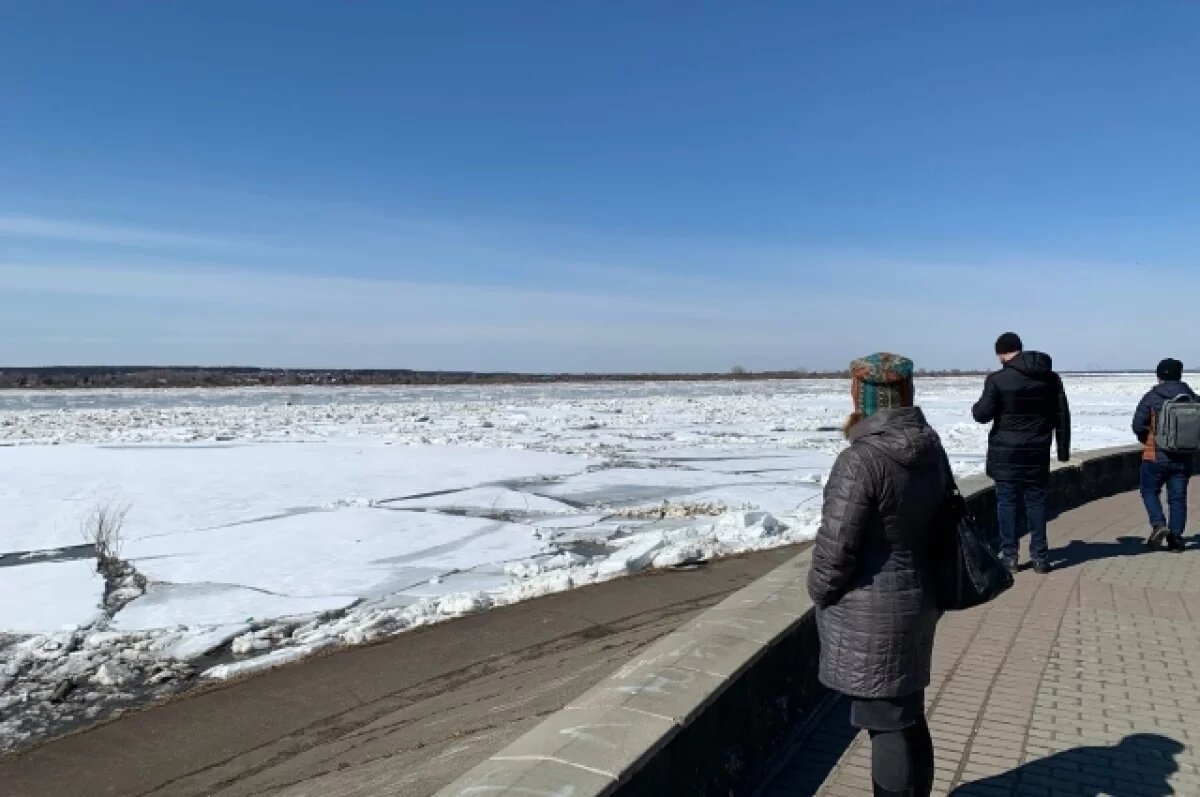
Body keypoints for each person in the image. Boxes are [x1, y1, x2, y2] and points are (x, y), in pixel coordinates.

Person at [808, 353, 948, 797]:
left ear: (861, 398)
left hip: (871, 613)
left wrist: (819, 591)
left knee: (885, 725)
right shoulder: (929, 446)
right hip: (917, 597)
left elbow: (836, 549)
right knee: (907, 715)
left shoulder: (860, 460)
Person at [972, 333, 1070, 574]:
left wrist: (977, 406)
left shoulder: (998, 379)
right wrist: (1063, 451)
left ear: (1001, 353)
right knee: (1035, 502)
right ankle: (1040, 558)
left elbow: (982, 414)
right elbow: (1062, 416)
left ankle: (1010, 558)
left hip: (1006, 453)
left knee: (1007, 502)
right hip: (1037, 451)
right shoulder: (1051, 378)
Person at [1132, 358, 1196, 551]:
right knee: (1178, 498)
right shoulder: (1191, 397)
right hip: (1183, 456)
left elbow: (1137, 425)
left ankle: (1159, 524)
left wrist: (1149, 440)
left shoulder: (1152, 397)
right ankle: (1176, 540)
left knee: (1149, 490)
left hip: (1155, 456)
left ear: (1159, 375)